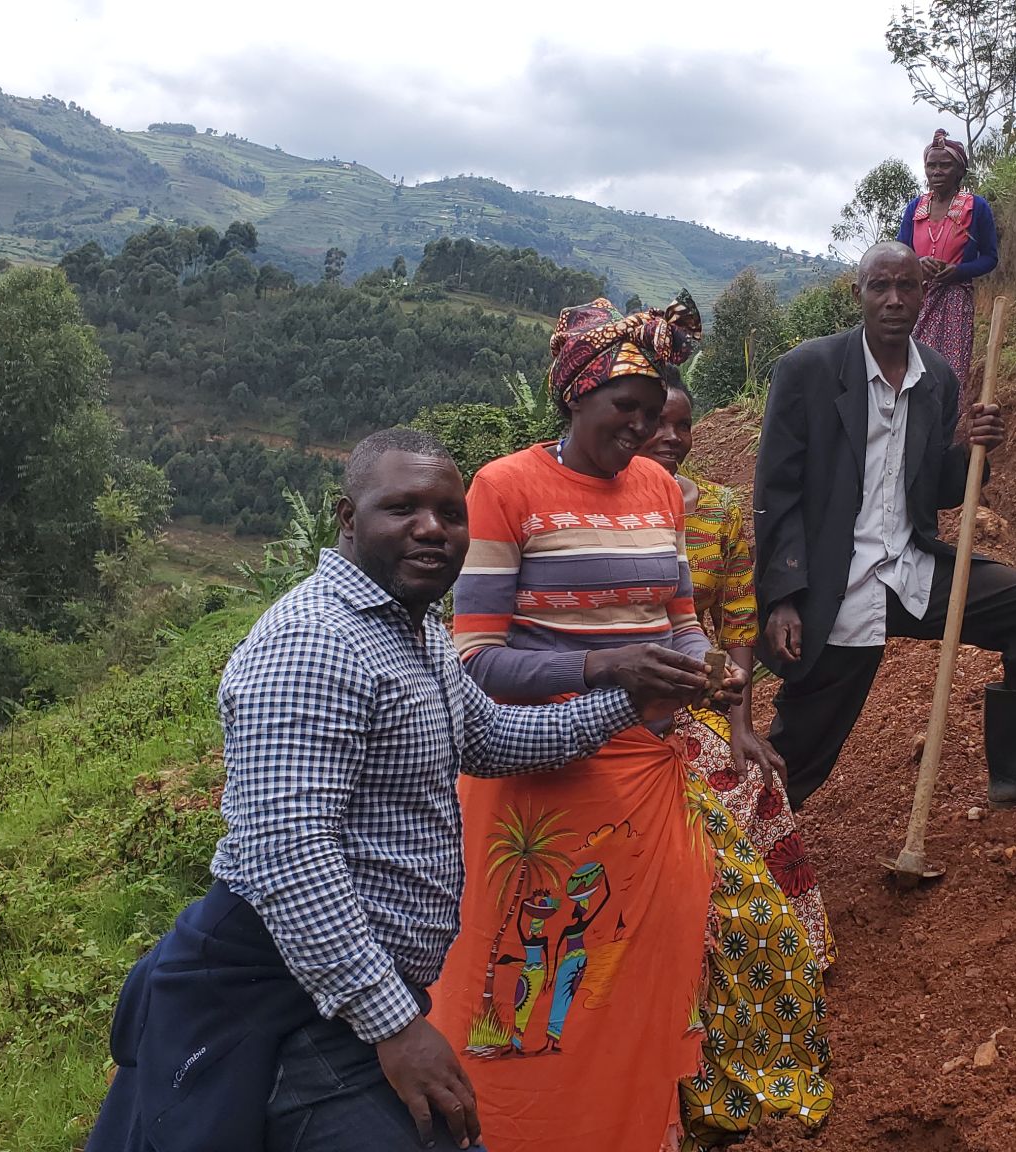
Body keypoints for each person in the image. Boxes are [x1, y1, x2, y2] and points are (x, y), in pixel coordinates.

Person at [87, 428, 668, 1152]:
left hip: (342, 991)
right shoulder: (315, 642)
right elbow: (288, 852)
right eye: (402, 508)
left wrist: (631, 697)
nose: (432, 529)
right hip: (290, 990)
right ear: (347, 517)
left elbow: (489, 738)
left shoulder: (413, 634)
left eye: (450, 513)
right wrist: (395, 1026)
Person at [430, 300, 831, 1152]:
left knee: (731, 934)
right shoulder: (504, 488)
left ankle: (663, 1115)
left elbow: (679, 616)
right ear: (575, 396)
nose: (644, 429)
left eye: (653, 413)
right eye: (627, 409)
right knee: (545, 984)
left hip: (650, 761)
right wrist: (607, 667)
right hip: (541, 778)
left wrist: (704, 667)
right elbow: (478, 660)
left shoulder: (656, 491)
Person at [755, 241, 1016, 812]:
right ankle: (750, 832)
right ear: (859, 294)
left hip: (911, 569)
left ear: (925, 295)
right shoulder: (808, 370)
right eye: (880, 286)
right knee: (802, 748)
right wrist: (783, 596)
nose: (894, 299)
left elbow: (937, 491)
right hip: (839, 584)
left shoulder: (937, 379)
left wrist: (974, 451)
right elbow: (776, 492)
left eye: (906, 286)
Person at [639, 370, 836, 966]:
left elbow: (739, 623)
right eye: (657, 423)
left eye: (683, 425)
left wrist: (741, 726)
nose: (671, 437)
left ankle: (779, 952)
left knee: (752, 780)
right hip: (615, 702)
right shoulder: (599, 512)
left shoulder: (719, 511)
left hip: (691, 698)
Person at [897, 129, 999, 404]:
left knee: (949, 370)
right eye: (931, 165)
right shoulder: (915, 209)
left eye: (945, 165)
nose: (937, 171)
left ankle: (946, 426)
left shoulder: (975, 207)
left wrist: (958, 271)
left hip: (954, 302)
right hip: (916, 300)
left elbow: (990, 257)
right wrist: (917, 264)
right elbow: (898, 254)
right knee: (909, 367)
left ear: (960, 170)